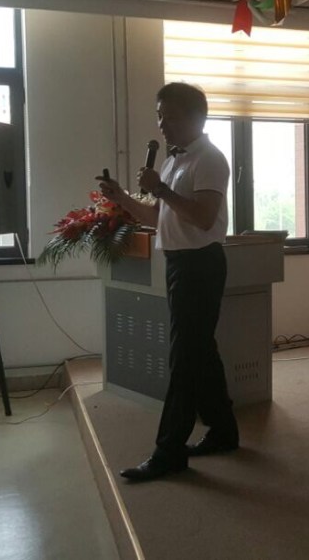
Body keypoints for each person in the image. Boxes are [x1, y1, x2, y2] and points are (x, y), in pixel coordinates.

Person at [97, 82, 239, 481]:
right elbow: (157, 217)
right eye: (159, 116)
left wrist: (159, 188)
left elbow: (204, 218)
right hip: (179, 264)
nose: (162, 125)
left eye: (170, 117)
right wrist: (123, 197)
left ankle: (169, 452)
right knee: (201, 353)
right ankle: (224, 431)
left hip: (200, 265)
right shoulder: (176, 160)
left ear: (196, 117)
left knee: (184, 359)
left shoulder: (209, 159)